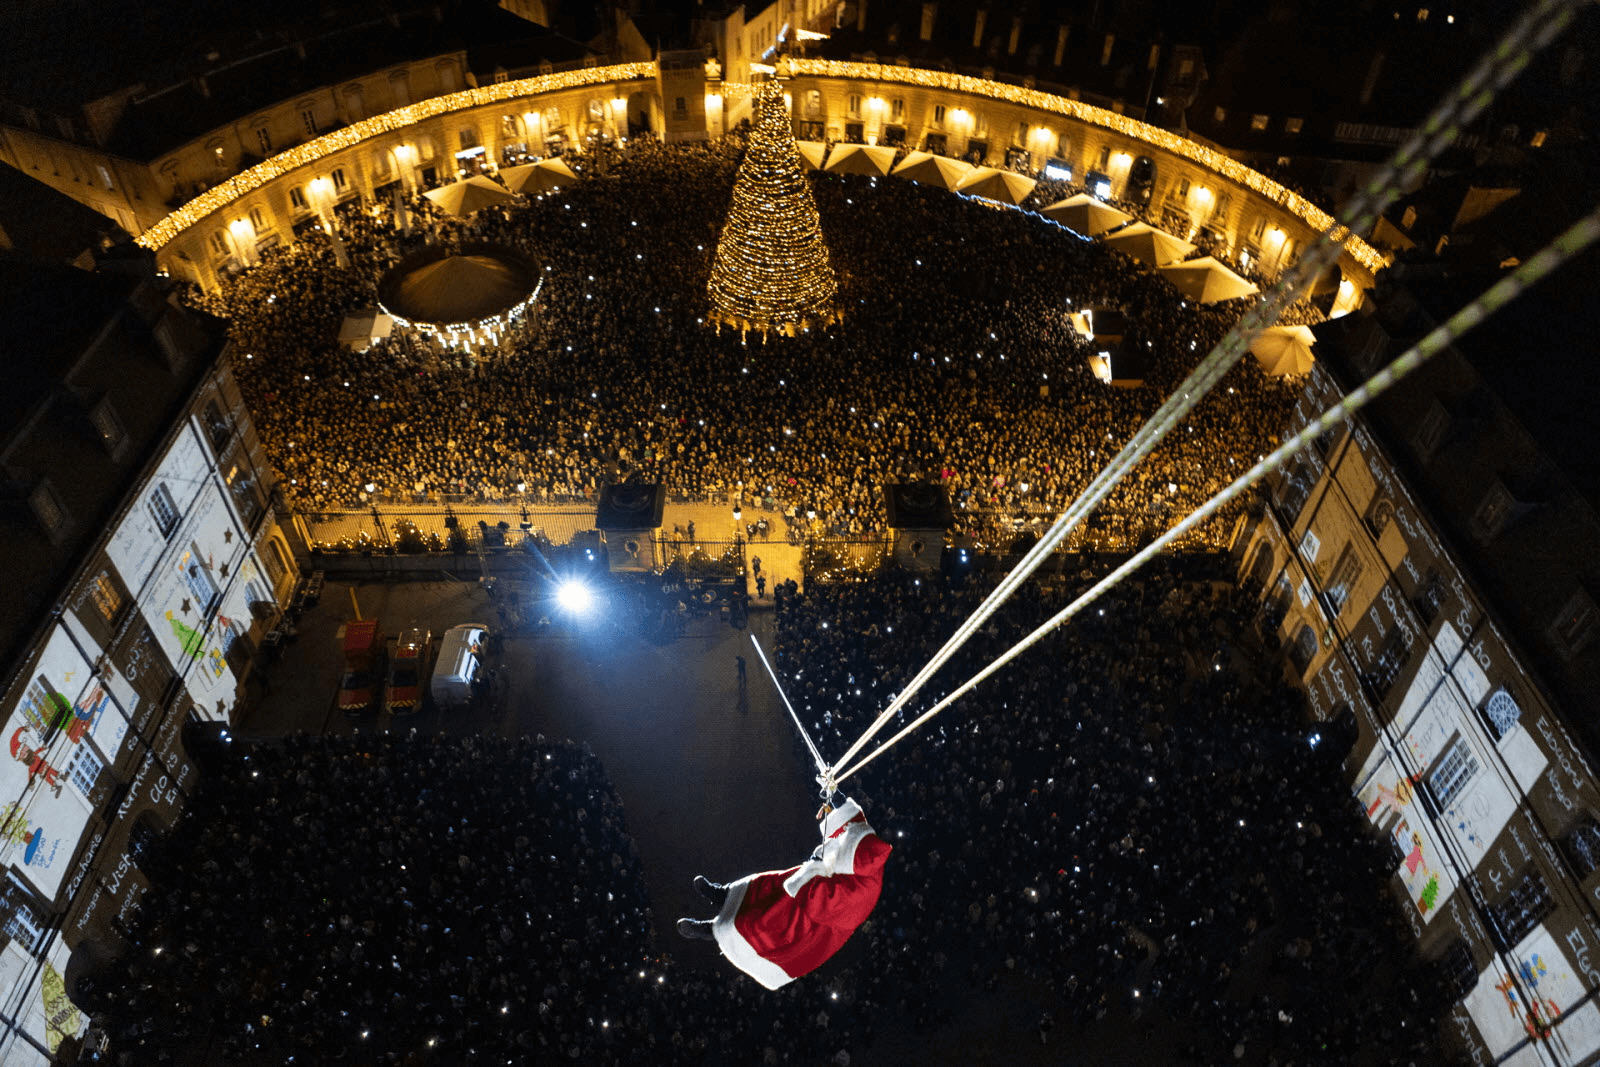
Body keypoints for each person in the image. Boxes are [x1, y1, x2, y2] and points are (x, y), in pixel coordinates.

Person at [677, 797, 892, 990]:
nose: (840, 838)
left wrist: (815, 865)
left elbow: (814, 898)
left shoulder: (858, 894)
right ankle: (722, 894)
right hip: (813, 884)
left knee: (759, 924)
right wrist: (833, 794)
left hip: (810, 922)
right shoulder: (862, 849)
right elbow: (851, 823)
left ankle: (710, 929)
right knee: (764, 886)